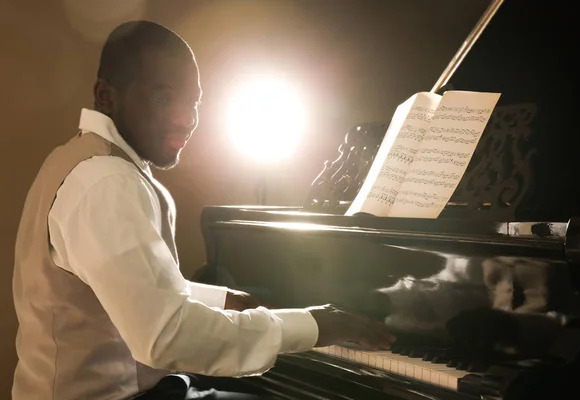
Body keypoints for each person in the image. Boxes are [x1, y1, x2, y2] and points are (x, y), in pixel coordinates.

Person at [12, 20, 395, 400]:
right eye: (164, 98)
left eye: (193, 101)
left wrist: (224, 300)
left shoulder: (79, 160)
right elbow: (167, 336)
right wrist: (315, 325)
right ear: (106, 96)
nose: (186, 118)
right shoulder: (107, 181)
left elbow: (129, 286)